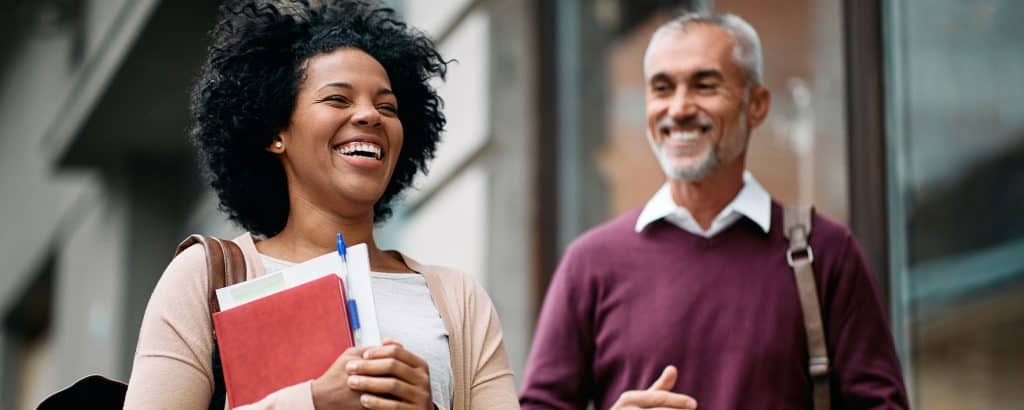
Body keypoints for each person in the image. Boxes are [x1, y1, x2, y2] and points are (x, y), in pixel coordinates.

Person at [124, 1, 518, 409]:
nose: (369, 115)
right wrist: (313, 401)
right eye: (337, 99)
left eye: (387, 106)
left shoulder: (459, 298)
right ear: (276, 132)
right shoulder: (204, 276)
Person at [520, 11, 909, 410]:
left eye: (704, 85)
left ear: (756, 104)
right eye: (662, 88)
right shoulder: (590, 264)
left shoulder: (826, 253)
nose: (680, 108)